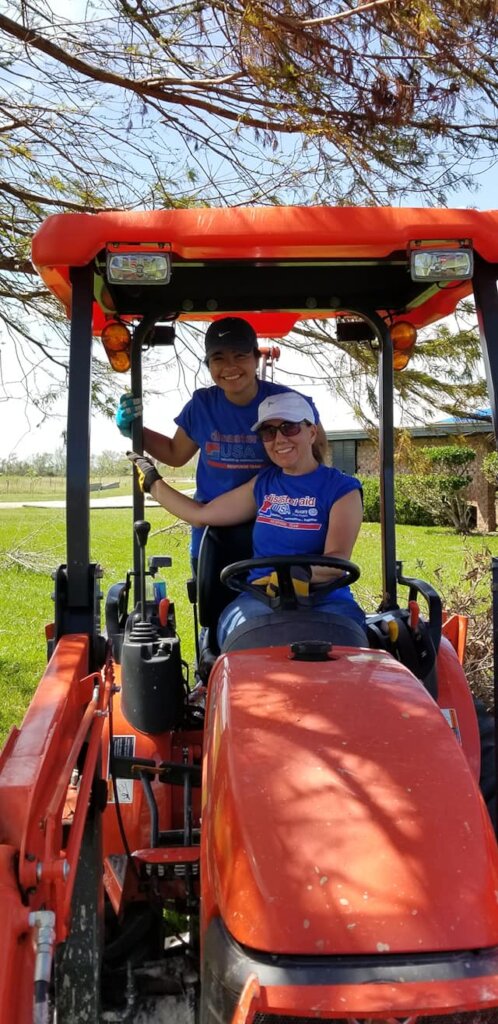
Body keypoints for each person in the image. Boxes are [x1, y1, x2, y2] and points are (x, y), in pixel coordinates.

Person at [128, 392, 364, 649]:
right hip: (260, 600)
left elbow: (337, 561)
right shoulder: (264, 484)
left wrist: (293, 575)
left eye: (290, 427)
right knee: (250, 650)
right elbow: (200, 515)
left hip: (327, 601)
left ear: (311, 432)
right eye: (268, 432)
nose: (279, 439)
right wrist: (154, 483)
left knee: (345, 654)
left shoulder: (342, 489)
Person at [117, 317, 328, 569]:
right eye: (218, 358)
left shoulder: (287, 403)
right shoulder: (202, 405)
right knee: (214, 602)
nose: (230, 366)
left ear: (255, 358)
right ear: (208, 364)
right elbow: (175, 454)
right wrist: (135, 429)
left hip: (276, 525)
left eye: (239, 356)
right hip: (213, 529)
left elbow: (317, 457)